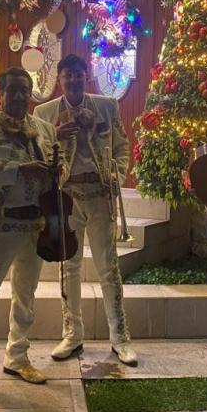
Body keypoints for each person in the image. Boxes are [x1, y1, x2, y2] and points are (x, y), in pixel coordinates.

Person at [0, 67, 67, 405]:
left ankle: (17, 357)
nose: (20, 96)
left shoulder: (44, 128)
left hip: (34, 224)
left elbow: (55, 169)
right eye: (13, 90)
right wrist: (18, 170)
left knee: (26, 295)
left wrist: (56, 172)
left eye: (25, 90)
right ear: (1, 93)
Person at [33, 54, 137, 366]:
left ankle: (120, 338)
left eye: (78, 75)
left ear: (85, 76)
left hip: (99, 193)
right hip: (65, 197)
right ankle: (72, 335)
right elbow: (37, 151)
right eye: (68, 76)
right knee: (70, 267)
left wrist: (117, 173)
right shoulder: (44, 112)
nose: (73, 81)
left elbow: (122, 145)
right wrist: (54, 134)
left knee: (108, 268)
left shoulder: (106, 105)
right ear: (60, 80)